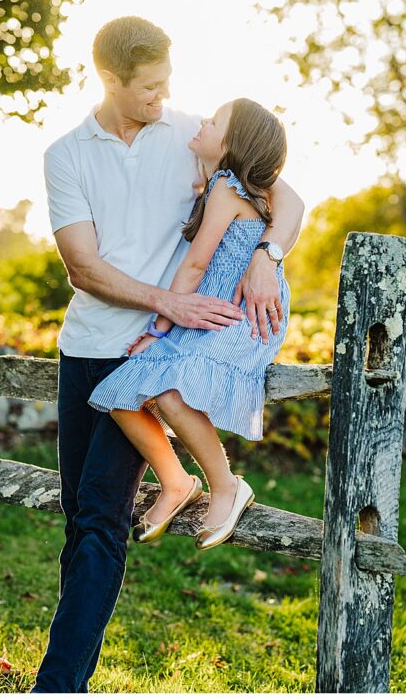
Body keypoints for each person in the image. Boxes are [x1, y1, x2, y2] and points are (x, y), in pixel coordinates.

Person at [33, 17, 304, 693]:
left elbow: (286, 191)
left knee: (100, 521)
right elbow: (83, 268)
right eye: (149, 88)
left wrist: (269, 254)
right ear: (111, 79)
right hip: (89, 347)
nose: (162, 98)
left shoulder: (190, 133)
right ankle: (74, 675)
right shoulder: (66, 154)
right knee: (81, 520)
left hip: (153, 353)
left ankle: (56, 684)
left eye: (166, 85)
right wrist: (170, 303)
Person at [89, 98, 290, 550]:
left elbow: (196, 264)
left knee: (171, 394)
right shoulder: (226, 185)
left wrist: (159, 327)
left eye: (216, 121)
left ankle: (226, 485)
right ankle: (176, 481)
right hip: (209, 309)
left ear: (234, 143)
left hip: (238, 315)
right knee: (122, 393)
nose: (203, 120)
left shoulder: (227, 186)